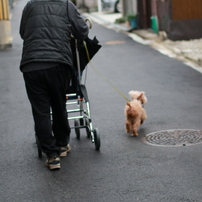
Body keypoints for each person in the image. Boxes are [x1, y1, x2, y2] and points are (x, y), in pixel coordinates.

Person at [19, 0, 89, 170]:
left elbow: (23, 33)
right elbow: (82, 32)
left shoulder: (29, 5)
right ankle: (62, 144)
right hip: (58, 64)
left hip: (32, 65)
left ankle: (52, 155)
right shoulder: (67, 5)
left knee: (40, 111)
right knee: (59, 105)